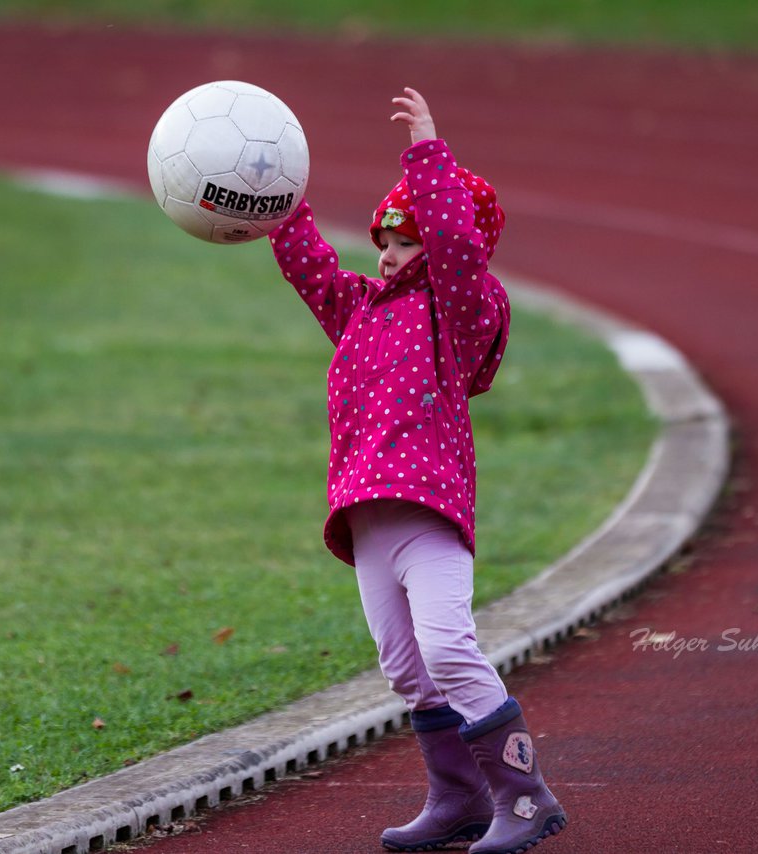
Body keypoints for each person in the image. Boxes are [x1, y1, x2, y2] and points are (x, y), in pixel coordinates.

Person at [268, 87, 566, 853]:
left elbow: (459, 251)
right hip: (367, 515)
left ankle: (526, 800)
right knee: (406, 668)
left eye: (406, 239)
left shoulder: (464, 314)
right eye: (384, 239)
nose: (389, 252)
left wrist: (429, 155)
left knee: (447, 648)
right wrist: (283, 203)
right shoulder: (361, 309)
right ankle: (460, 798)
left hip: (428, 509)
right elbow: (314, 273)